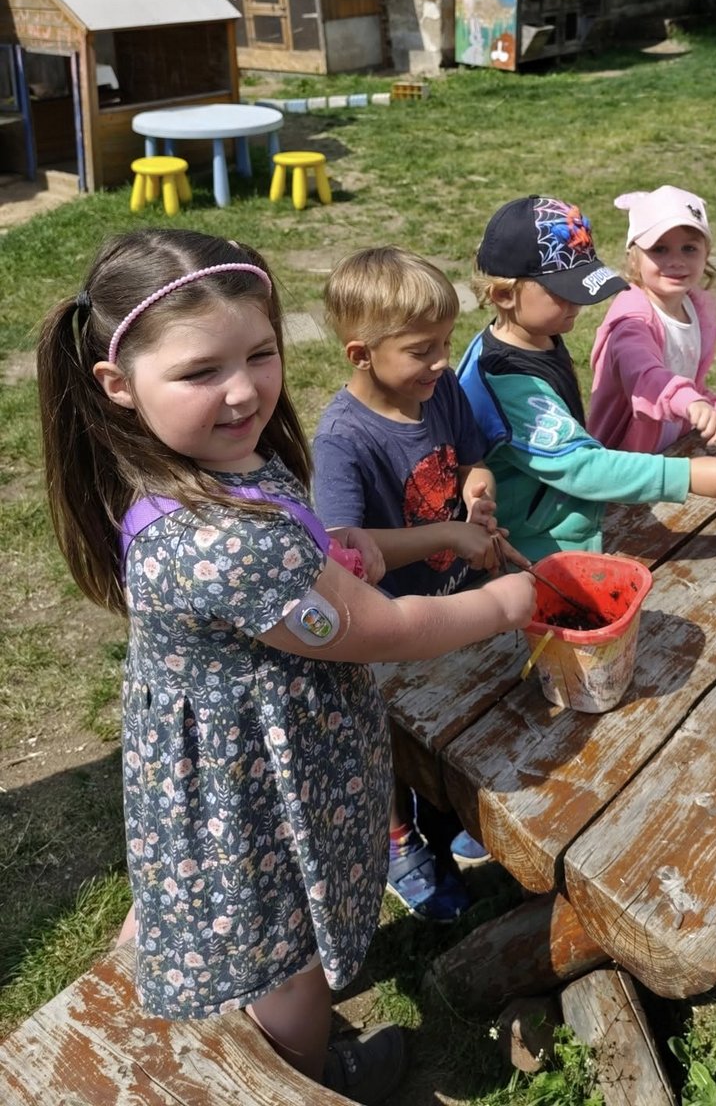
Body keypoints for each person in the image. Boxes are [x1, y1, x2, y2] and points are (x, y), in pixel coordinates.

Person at [36, 230, 534, 1104]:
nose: (243, 391)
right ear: (118, 384)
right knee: (286, 964)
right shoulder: (223, 542)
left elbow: (304, 552)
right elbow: (384, 629)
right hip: (256, 795)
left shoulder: (206, 467)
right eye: (201, 371)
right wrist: (508, 604)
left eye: (260, 354)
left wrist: (344, 551)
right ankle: (304, 1076)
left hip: (231, 765)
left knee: (233, 926)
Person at [314, 246, 523, 922]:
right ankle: (397, 839)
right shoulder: (342, 440)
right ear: (361, 354)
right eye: (421, 350)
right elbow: (346, 549)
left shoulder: (440, 391)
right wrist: (448, 536)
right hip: (384, 626)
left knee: (449, 712)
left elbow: (470, 463)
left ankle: (445, 811)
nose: (441, 361)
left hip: (447, 601)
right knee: (386, 742)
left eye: (446, 344)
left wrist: (479, 497)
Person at [457, 195, 716, 562]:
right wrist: (685, 476)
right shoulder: (508, 383)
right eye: (564, 292)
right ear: (504, 295)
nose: (578, 305)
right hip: (533, 550)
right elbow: (581, 467)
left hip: (565, 519)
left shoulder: (537, 335)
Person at [589, 184, 716, 452]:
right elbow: (645, 376)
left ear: (706, 254)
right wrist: (691, 402)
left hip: (670, 445)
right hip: (626, 458)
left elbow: (691, 382)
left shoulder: (694, 308)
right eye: (659, 249)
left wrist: (715, 411)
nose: (676, 261)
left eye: (689, 248)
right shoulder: (632, 320)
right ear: (634, 258)